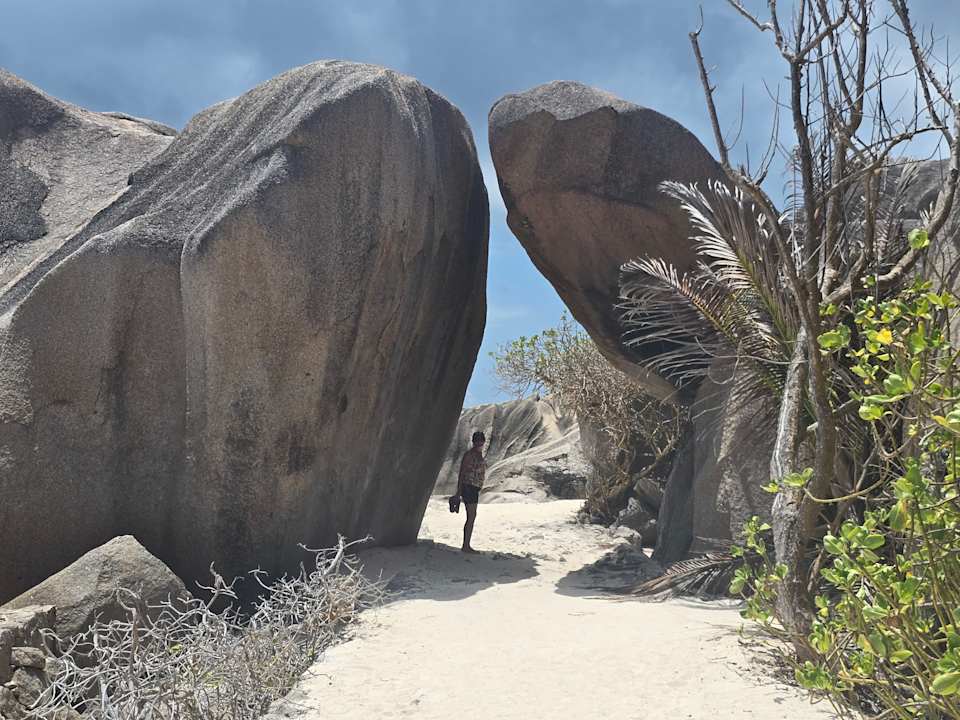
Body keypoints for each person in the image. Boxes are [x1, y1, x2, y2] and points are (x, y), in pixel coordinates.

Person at [455, 430, 486, 553]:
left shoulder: (478, 454)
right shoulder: (470, 454)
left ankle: (466, 544)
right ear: (474, 442)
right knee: (471, 516)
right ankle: (466, 545)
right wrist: (458, 492)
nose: (479, 443)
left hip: (473, 487)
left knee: (472, 516)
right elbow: (462, 472)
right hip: (468, 487)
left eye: (481, 441)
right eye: (477, 441)